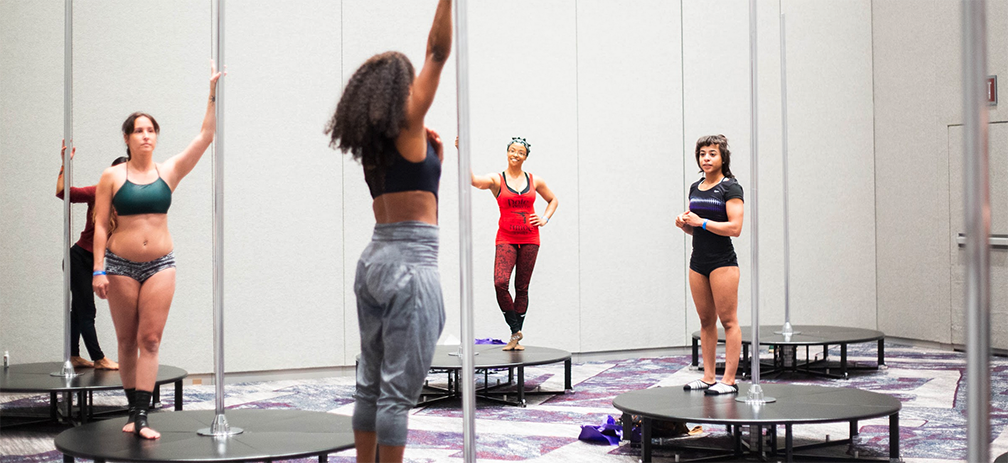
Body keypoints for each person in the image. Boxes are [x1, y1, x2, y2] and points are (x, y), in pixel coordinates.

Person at [324, 1, 451, 461]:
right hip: (411, 266)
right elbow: (437, 52)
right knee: (398, 395)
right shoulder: (409, 125)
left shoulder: (372, 146)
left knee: (370, 386)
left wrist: (436, 159)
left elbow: (414, 187)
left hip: (374, 261)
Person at [91, 61, 223, 439]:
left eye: (151, 131)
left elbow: (205, 136)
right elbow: (101, 224)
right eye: (138, 131)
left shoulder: (170, 171)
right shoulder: (112, 176)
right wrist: (98, 269)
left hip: (160, 264)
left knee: (150, 339)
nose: (146, 136)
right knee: (126, 340)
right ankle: (131, 410)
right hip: (118, 265)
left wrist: (212, 93)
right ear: (128, 139)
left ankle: (142, 417)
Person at [471, 137, 558, 351]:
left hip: (530, 238)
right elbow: (473, 180)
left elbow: (553, 200)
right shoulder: (496, 179)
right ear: (507, 152)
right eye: (512, 150)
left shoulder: (534, 180)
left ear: (526, 157)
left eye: (520, 152)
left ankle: (515, 337)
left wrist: (545, 218)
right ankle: (514, 327)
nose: (515, 155)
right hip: (506, 237)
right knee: (500, 282)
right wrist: (462, 152)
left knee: (522, 287)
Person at [675, 134, 744, 396]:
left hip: (723, 262)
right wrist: (685, 225)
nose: (706, 158)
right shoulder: (696, 186)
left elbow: (734, 228)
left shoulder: (731, 188)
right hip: (698, 262)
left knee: (728, 320)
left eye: (712, 153)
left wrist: (701, 221)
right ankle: (708, 376)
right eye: (702, 153)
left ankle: (728, 380)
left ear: (722, 157)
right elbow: (697, 230)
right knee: (706, 321)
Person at [55, 141, 124, 371]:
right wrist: (65, 163)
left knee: (79, 310)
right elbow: (64, 193)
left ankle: (74, 355)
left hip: (95, 262)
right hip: (78, 258)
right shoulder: (98, 192)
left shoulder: (131, 203)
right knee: (87, 311)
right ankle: (99, 358)